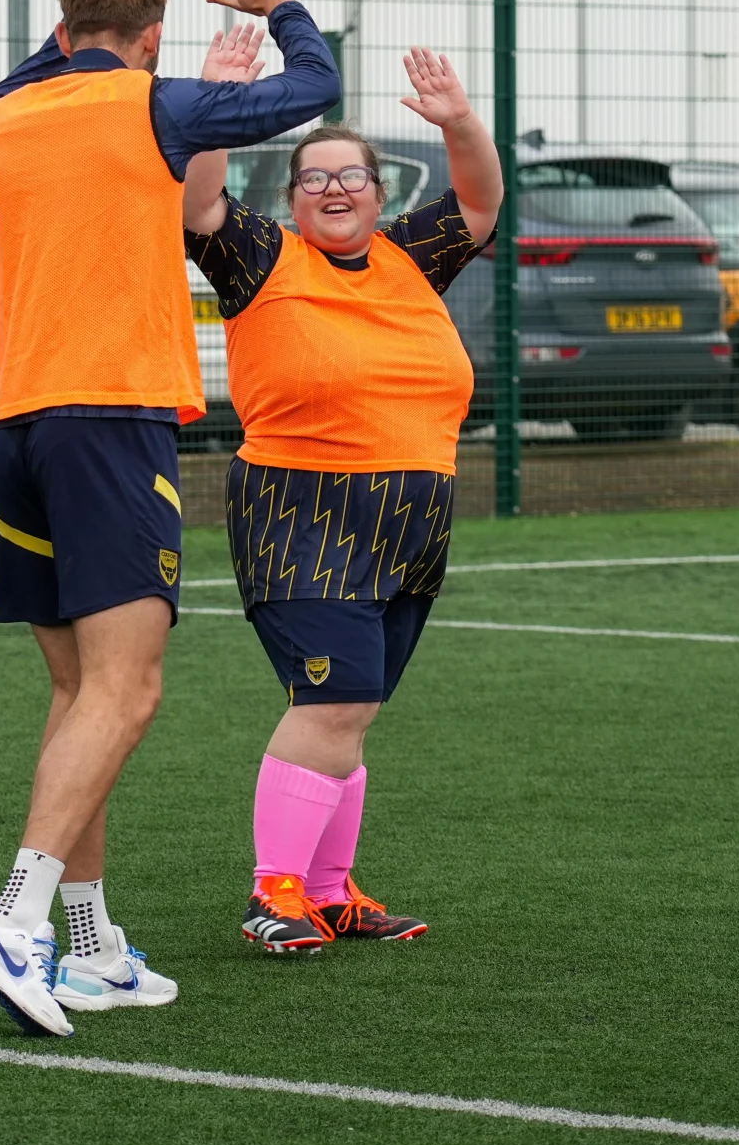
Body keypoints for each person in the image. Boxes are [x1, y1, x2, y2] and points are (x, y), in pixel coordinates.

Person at [0, 0, 340, 1036]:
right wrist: (275, 1)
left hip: (20, 427)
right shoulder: (157, 104)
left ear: (62, 29)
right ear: (152, 40)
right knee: (129, 691)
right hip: (110, 422)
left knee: (80, 699)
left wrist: (86, 16)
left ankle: (89, 947)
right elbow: (318, 86)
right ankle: (13, 920)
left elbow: (48, 62)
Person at [180, 49, 502, 954]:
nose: (333, 189)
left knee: (354, 709)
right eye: (313, 177)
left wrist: (458, 122)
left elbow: (480, 203)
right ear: (290, 198)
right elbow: (196, 204)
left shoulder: (407, 257)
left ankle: (329, 889)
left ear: (375, 190)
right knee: (331, 704)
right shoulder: (261, 257)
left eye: (349, 176)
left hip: (412, 519)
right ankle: (273, 893)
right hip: (300, 509)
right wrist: (221, 103)